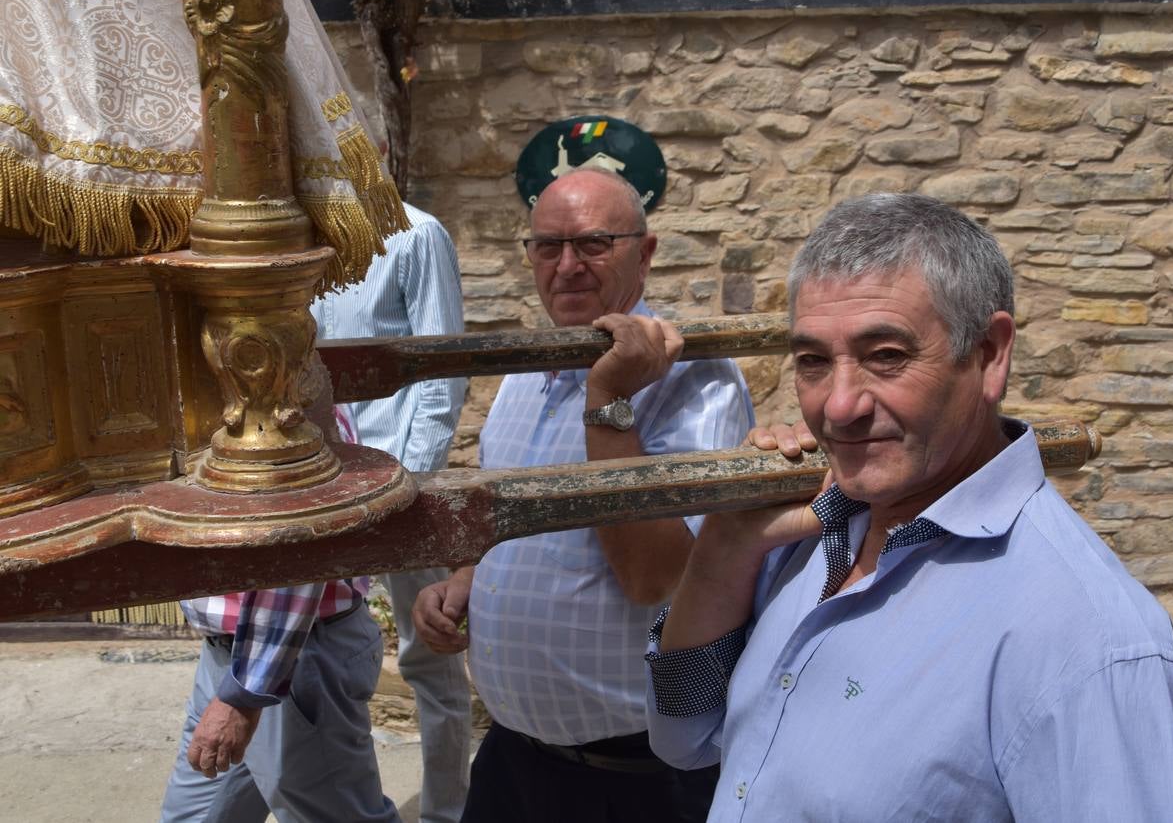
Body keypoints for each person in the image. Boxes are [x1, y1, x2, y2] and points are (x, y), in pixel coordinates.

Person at [642, 193, 1173, 821]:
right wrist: (726, 547)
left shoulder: (1089, 642)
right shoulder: (821, 527)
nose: (839, 407)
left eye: (886, 356)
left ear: (989, 354)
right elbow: (686, 735)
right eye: (813, 361)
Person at [413, 167, 754, 823]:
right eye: (547, 246)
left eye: (594, 244)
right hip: (514, 757)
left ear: (645, 253)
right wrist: (463, 579)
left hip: (631, 781)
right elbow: (502, 523)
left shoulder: (698, 380)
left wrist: (609, 400)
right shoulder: (521, 375)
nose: (566, 266)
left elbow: (655, 576)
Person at [310, 202, 473, 823]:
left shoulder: (414, 232)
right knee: (318, 651)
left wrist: (407, 485)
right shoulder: (302, 234)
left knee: (428, 658)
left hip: (398, 479)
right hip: (317, 486)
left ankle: (445, 812)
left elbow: (440, 368)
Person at [160, 405, 399, 823]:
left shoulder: (289, 414)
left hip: (292, 652)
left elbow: (298, 551)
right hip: (232, 657)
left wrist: (245, 695)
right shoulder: (219, 408)